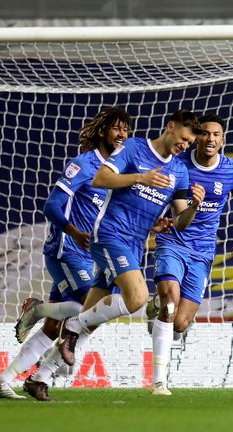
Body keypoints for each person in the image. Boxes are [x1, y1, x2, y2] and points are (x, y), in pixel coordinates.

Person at [0, 107, 133, 401]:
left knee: (55, 328)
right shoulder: (83, 164)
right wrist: (74, 231)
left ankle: (2, 381)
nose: (122, 135)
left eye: (126, 130)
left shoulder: (118, 171)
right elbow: (51, 206)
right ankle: (37, 310)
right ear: (103, 131)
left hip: (90, 253)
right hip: (66, 249)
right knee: (87, 310)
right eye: (116, 128)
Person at [56, 110, 205, 374]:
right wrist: (140, 177)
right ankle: (72, 325)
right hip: (110, 234)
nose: (185, 146)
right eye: (183, 138)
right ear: (170, 127)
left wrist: (194, 206)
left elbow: (181, 221)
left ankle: (39, 376)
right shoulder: (135, 147)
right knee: (137, 298)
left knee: (92, 319)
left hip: (136, 244)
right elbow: (100, 178)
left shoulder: (179, 170)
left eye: (189, 144)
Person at [144, 114, 233, 395]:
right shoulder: (179, 167)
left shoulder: (231, 171)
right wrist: (189, 206)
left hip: (203, 252)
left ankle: (159, 304)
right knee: (170, 302)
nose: (211, 139)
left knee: (180, 323)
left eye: (217, 134)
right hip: (173, 241)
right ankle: (159, 381)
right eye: (205, 133)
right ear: (197, 138)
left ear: (222, 140)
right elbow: (172, 211)